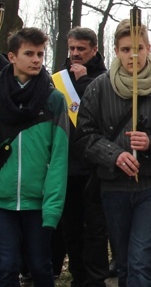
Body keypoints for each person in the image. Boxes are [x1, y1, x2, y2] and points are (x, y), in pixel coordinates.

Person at [74, 19, 151, 287]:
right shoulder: (99, 87)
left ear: (149, 48)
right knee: (125, 264)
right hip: (114, 186)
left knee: (141, 261)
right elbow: (84, 136)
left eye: (138, 48)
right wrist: (114, 154)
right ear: (116, 50)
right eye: (126, 49)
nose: (133, 55)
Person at [0, 28, 70, 286]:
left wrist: (52, 207)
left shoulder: (54, 100)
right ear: (12, 57)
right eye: (29, 53)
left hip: (38, 203)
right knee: (5, 267)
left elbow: (59, 157)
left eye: (40, 54)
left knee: (41, 267)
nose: (36, 59)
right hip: (2, 202)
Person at [52, 27, 109, 287]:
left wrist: (85, 81)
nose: (75, 54)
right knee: (71, 229)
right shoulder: (58, 80)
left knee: (95, 230)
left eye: (81, 49)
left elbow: (106, 115)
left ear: (94, 50)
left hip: (95, 167)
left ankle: (95, 280)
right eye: (72, 48)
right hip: (66, 166)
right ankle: (78, 277)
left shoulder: (105, 79)